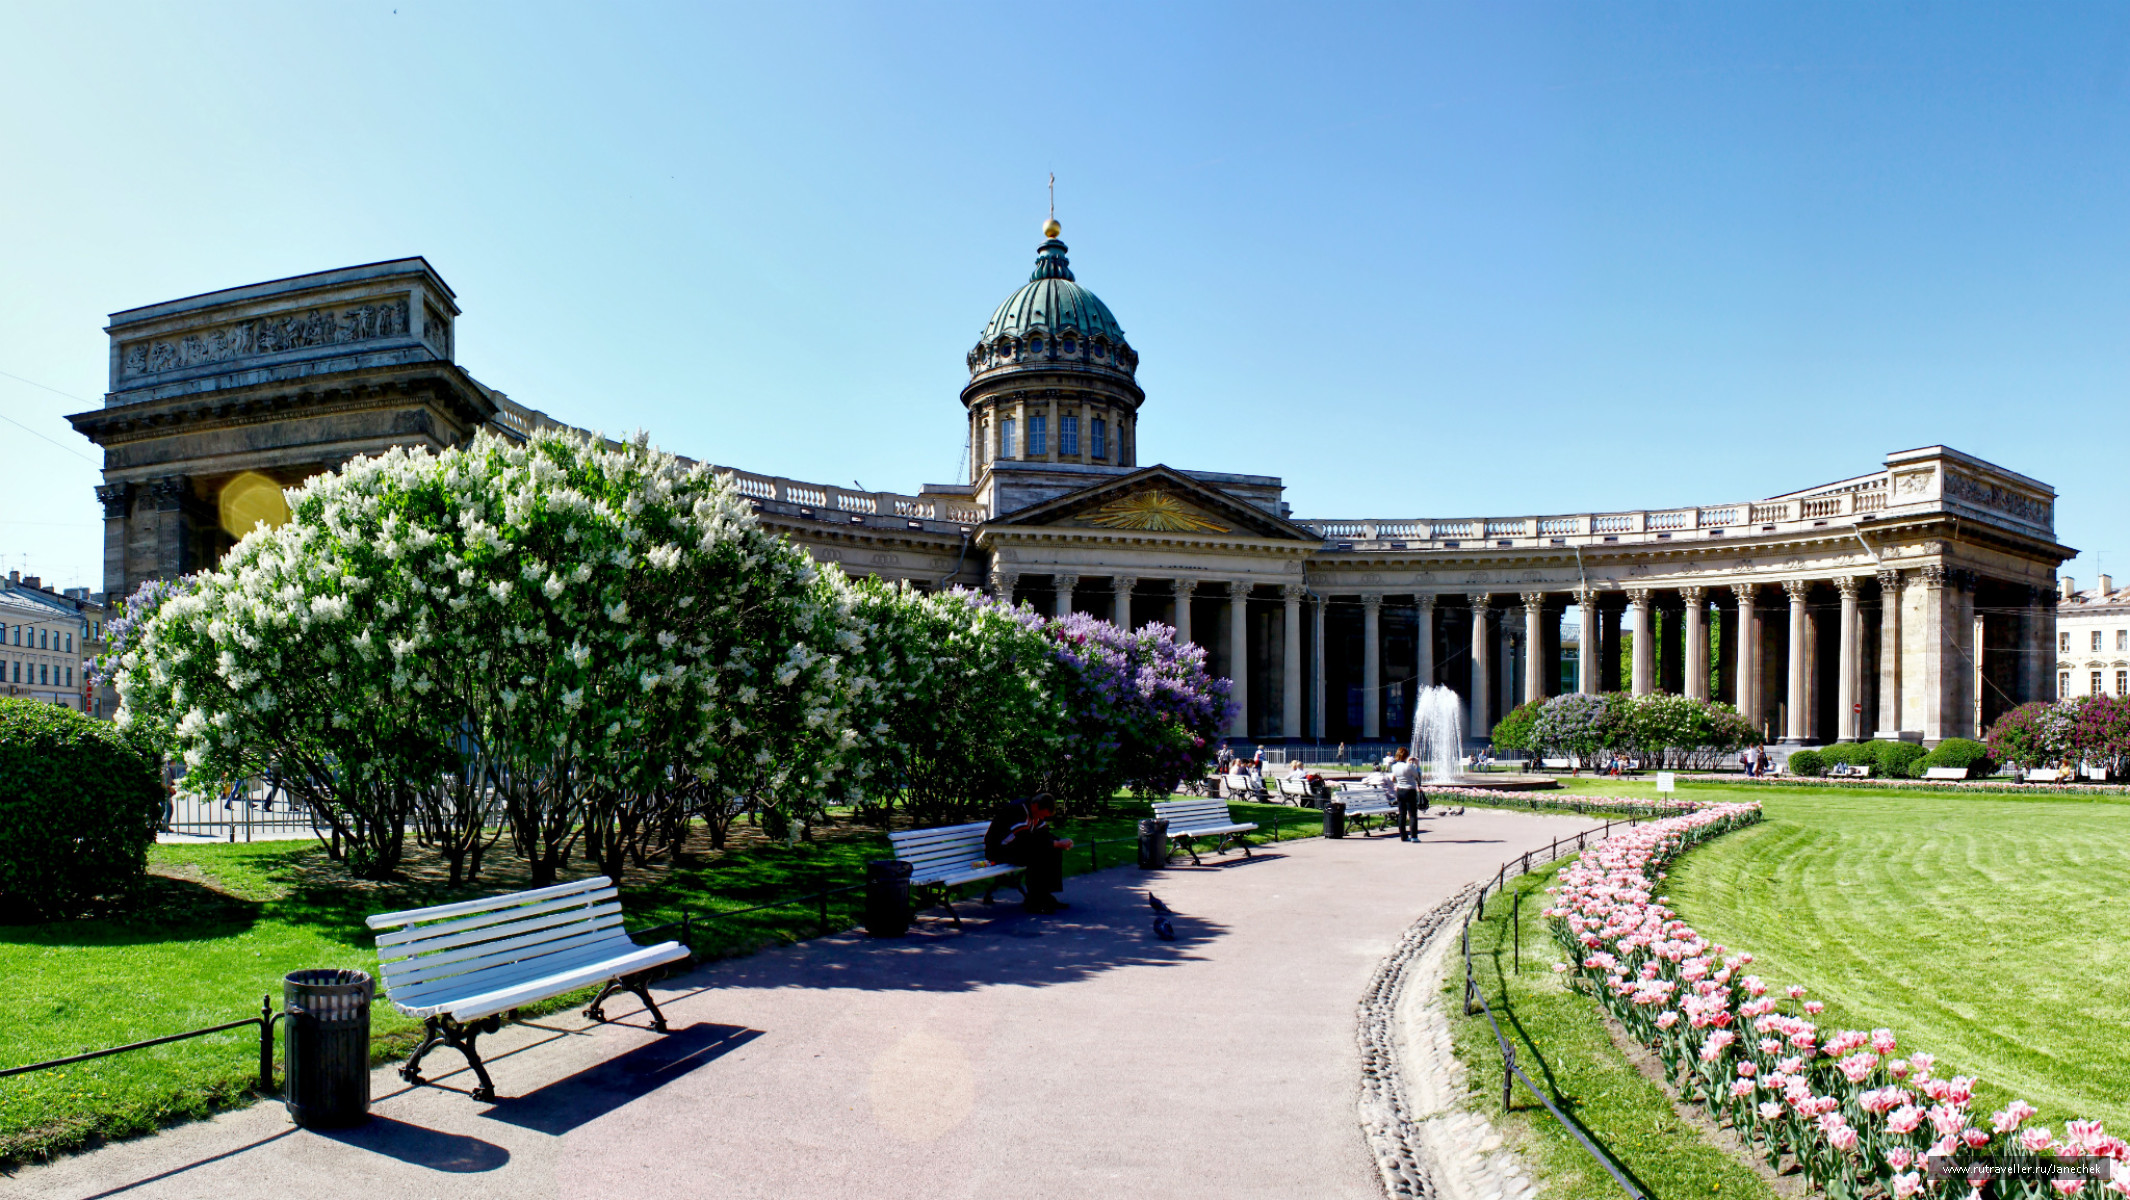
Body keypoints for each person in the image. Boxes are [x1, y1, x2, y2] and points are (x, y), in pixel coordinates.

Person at [984, 793, 1074, 914]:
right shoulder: (1017, 810)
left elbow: (1043, 834)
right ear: (1036, 806)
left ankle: (1045, 896)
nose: (1042, 819)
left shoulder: (1034, 811)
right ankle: (1034, 902)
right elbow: (1025, 840)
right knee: (1036, 855)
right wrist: (1055, 843)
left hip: (1016, 846)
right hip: (998, 851)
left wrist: (1060, 841)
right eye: (1042, 815)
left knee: (1053, 850)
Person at [1389, 747, 1425, 842]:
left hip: (1400, 790)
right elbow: (1417, 775)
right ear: (1406, 756)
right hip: (1410, 790)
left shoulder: (1394, 766)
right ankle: (1414, 836)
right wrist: (1417, 764)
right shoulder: (1409, 766)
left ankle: (1403, 836)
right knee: (1412, 814)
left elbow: (1394, 778)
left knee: (1402, 814)